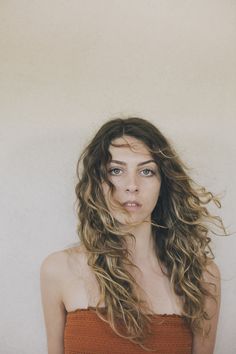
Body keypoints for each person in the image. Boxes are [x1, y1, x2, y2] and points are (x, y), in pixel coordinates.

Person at [40, 117, 226, 354]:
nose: (132, 185)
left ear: (163, 184)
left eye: (146, 171)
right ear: (97, 183)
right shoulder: (58, 270)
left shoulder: (200, 277)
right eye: (116, 170)